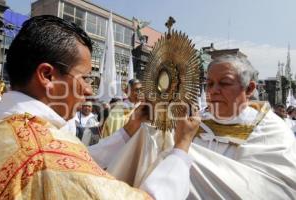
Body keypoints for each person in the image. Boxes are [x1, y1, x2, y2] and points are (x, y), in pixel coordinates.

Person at [0, 15, 200, 200]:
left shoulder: (6, 126)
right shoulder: (45, 154)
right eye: (84, 78)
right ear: (48, 76)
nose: (88, 91)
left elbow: (82, 158)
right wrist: (181, 148)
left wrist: (128, 131)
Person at [102, 55, 296, 199]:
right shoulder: (194, 123)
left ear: (250, 89)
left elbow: (272, 191)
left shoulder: (273, 132)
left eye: (224, 83)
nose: (213, 91)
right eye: (209, 83)